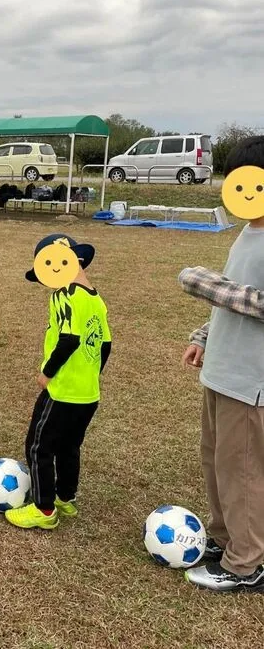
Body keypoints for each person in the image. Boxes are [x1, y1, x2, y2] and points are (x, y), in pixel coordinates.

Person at [179, 136, 264, 592]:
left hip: (252, 381)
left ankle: (246, 565)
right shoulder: (248, 231)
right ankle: (224, 538)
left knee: (243, 471)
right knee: (216, 462)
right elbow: (233, 295)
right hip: (222, 371)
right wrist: (204, 337)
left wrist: (207, 285)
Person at [5, 234, 111, 530]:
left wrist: (48, 373)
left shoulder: (65, 295)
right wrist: (90, 375)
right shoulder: (95, 298)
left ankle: (44, 509)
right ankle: (65, 497)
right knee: (69, 446)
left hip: (62, 390)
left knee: (39, 447)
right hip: (88, 392)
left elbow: (69, 339)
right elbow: (105, 345)